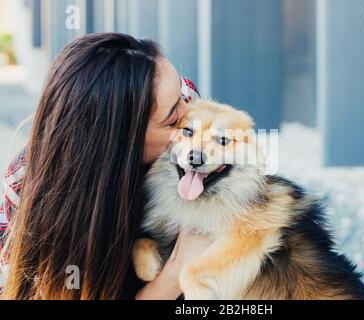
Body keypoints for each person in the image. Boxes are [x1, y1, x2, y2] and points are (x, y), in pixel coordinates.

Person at [0, 32, 213, 300]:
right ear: (123, 143)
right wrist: (177, 270)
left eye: (184, 95)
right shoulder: (33, 190)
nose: (192, 117)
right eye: (172, 121)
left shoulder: (183, 108)